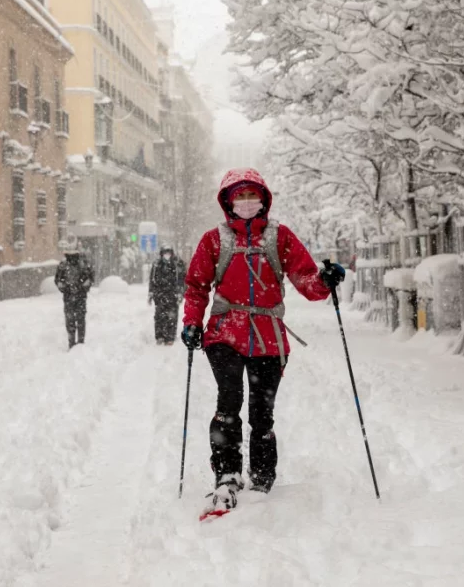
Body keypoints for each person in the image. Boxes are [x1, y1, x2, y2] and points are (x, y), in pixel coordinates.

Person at [181, 167, 346, 516]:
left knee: (262, 412)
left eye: (251, 195)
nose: (245, 202)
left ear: (263, 199)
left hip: (269, 338)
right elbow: (196, 286)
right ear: (227, 201)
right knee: (229, 402)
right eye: (238, 196)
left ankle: (261, 477)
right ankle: (226, 475)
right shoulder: (215, 240)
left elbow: (307, 281)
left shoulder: (279, 237)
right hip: (224, 333)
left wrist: (326, 281)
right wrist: (192, 323)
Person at [54, 248, 94, 349]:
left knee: (75, 320)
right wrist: (64, 287)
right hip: (72, 296)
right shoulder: (64, 265)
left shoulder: (81, 264)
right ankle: (74, 343)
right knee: (73, 320)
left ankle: (77, 342)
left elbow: (90, 277)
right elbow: (58, 280)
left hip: (77, 296)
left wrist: (83, 286)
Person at [148, 246, 184, 345]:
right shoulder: (156, 265)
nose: (167, 255)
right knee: (159, 316)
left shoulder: (177, 264)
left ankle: (170, 337)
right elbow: (152, 280)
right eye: (165, 253)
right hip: (159, 295)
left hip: (173, 295)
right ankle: (160, 336)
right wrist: (151, 293)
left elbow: (182, 280)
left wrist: (181, 293)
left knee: (172, 316)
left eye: (169, 253)